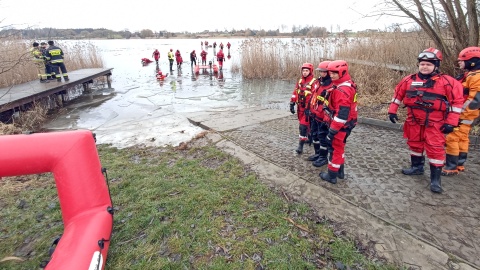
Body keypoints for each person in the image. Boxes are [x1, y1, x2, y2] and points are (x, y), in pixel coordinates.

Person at [388, 47, 463, 193]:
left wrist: (451, 122)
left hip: (435, 123)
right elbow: (398, 95)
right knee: (415, 144)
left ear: (436, 65)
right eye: (422, 64)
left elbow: (456, 103)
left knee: (435, 148)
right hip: (414, 120)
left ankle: (435, 180)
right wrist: (392, 111)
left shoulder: (447, 82)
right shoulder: (408, 80)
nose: (425, 66)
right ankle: (417, 167)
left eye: (429, 64)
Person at [442, 47, 480, 176]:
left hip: (465, 115)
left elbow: (474, 100)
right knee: (462, 138)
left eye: (462, 60)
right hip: (468, 115)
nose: (459, 62)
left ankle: (451, 167)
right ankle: (459, 164)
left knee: (452, 138)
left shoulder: (476, 77)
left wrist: (459, 114)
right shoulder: (471, 75)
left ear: (473, 61)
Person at [319, 60, 357, 184]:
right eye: (330, 73)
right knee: (340, 148)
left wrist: (332, 132)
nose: (331, 75)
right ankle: (340, 171)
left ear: (342, 72)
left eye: (335, 73)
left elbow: (341, 115)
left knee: (335, 149)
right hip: (347, 124)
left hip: (341, 126)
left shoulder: (343, 90)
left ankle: (332, 175)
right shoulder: (345, 84)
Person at [290, 63, 318, 154]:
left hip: (308, 109)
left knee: (302, 126)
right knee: (306, 125)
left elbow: (315, 96)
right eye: (303, 70)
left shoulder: (314, 82)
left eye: (307, 71)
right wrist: (292, 102)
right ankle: (309, 138)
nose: (305, 72)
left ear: (310, 71)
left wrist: (310, 108)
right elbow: (295, 92)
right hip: (300, 108)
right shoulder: (300, 81)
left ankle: (300, 146)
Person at [309, 61, 333, 168]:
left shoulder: (332, 85)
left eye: (324, 72)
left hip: (323, 117)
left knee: (322, 137)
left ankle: (323, 157)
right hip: (315, 114)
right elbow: (313, 96)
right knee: (314, 135)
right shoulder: (318, 82)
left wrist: (326, 118)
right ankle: (317, 153)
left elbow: (330, 105)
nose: (322, 74)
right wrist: (309, 109)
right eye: (320, 71)